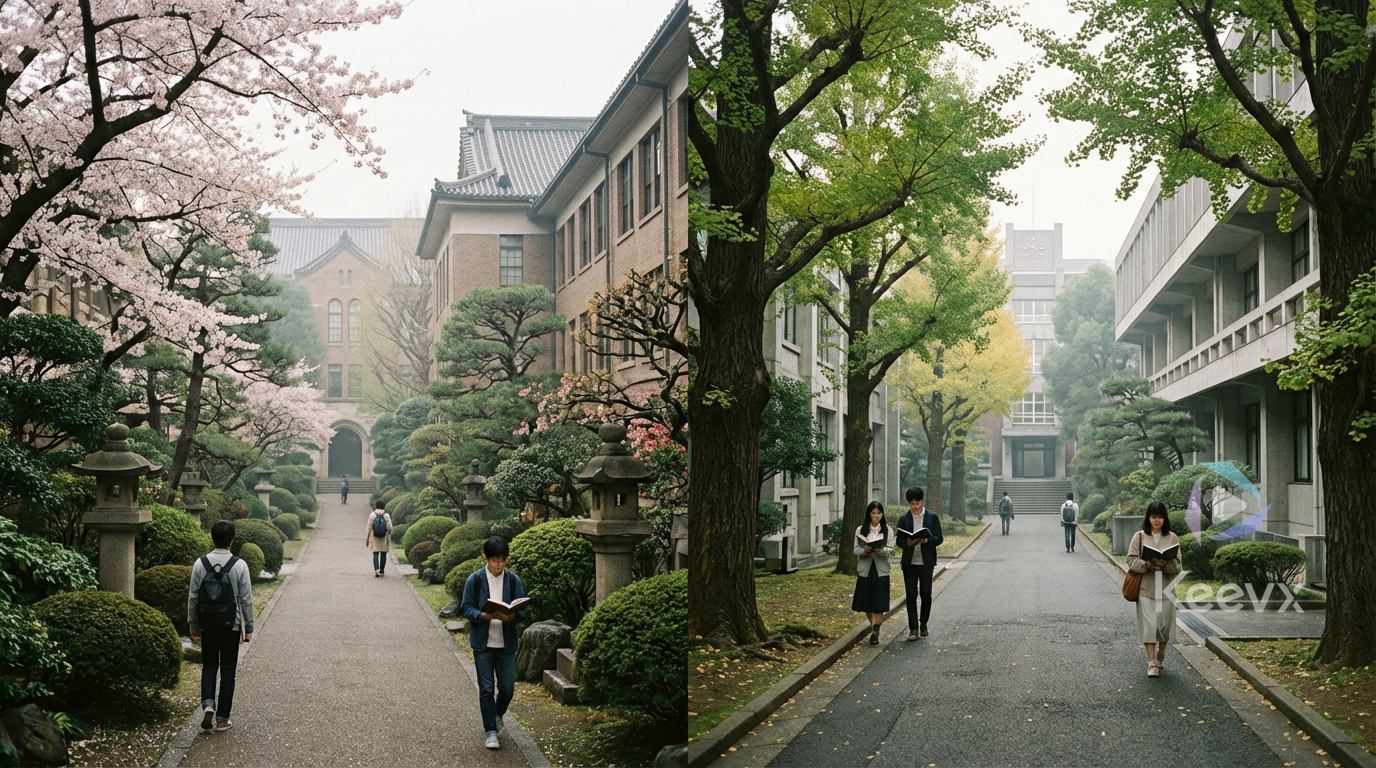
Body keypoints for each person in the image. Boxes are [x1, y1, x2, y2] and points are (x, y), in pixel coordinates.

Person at [460, 536, 528, 750]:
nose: (499, 564)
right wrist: (483, 616)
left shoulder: (514, 580)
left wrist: (513, 616)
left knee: (507, 689)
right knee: (487, 689)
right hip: (483, 644)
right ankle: (490, 730)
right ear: (486, 558)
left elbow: (523, 609)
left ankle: (496, 714)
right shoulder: (476, 580)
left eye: (503, 560)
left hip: (506, 644)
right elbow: (465, 607)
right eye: (495, 560)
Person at [188, 520, 254, 733]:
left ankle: (208, 704)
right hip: (230, 625)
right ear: (232, 540)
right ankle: (223, 718)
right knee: (227, 672)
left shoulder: (200, 564)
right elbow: (246, 599)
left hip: (207, 624)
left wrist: (193, 624)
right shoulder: (239, 565)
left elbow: (193, 597)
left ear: (212, 537)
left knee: (208, 666)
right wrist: (249, 627)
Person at [1125, 501, 1182, 678]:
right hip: (1146, 587)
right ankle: (1152, 662)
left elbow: (1178, 565)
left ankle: (1161, 655)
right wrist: (1146, 564)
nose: (1157, 520)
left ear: (1165, 519)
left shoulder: (1172, 537)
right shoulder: (1140, 536)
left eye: (1160, 517)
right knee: (1149, 625)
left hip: (1166, 588)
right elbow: (1131, 560)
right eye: (1153, 517)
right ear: (1148, 518)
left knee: (1164, 625)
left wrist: (1165, 564)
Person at [897, 487, 944, 641]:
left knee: (926, 595)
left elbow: (939, 538)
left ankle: (923, 624)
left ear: (922, 501)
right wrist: (907, 542)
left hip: (926, 562)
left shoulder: (932, 517)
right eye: (912, 504)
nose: (915, 507)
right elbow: (899, 541)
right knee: (911, 596)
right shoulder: (904, 519)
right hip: (910, 563)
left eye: (917, 503)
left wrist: (926, 540)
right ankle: (913, 628)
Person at [852, 501, 893, 646]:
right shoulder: (860, 529)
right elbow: (855, 550)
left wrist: (881, 550)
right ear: (869, 514)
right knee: (867, 603)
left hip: (881, 570)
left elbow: (891, 550)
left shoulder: (887, 529)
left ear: (882, 514)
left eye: (879, 513)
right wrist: (865, 550)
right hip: (866, 569)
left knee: (879, 603)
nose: (876, 516)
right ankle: (872, 626)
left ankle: (876, 632)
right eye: (874, 513)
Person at [365, 500, 393, 576]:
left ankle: (376, 570)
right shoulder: (386, 515)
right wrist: (389, 533)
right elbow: (390, 527)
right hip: (384, 537)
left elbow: (369, 527)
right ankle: (382, 570)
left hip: (375, 536)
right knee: (383, 553)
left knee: (375, 552)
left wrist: (367, 538)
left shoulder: (372, 515)